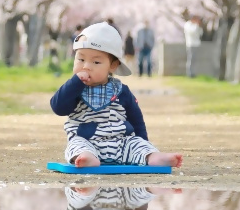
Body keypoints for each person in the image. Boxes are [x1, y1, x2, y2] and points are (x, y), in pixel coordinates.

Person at [51, 22, 183, 168]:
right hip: (86, 140)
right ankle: (86, 158)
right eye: (81, 59)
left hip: (121, 143)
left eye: (96, 62)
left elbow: (136, 119)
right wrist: (75, 83)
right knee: (75, 144)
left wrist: (144, 143)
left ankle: (153, 158)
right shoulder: (74, 89)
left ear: (113, 66)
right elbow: (58, 107)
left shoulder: (121, 90)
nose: (86, 66)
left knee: (137, 144)